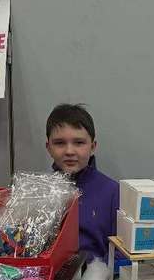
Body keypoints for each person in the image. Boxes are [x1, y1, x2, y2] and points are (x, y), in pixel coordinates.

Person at [45, 104, 118, 262]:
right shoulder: (39, 193)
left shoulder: (113, 192)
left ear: (92, 147)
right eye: (60, 143)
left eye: (79, 143)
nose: (69, 151)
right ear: (48, 147)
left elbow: (120, 253)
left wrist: (96, 278)